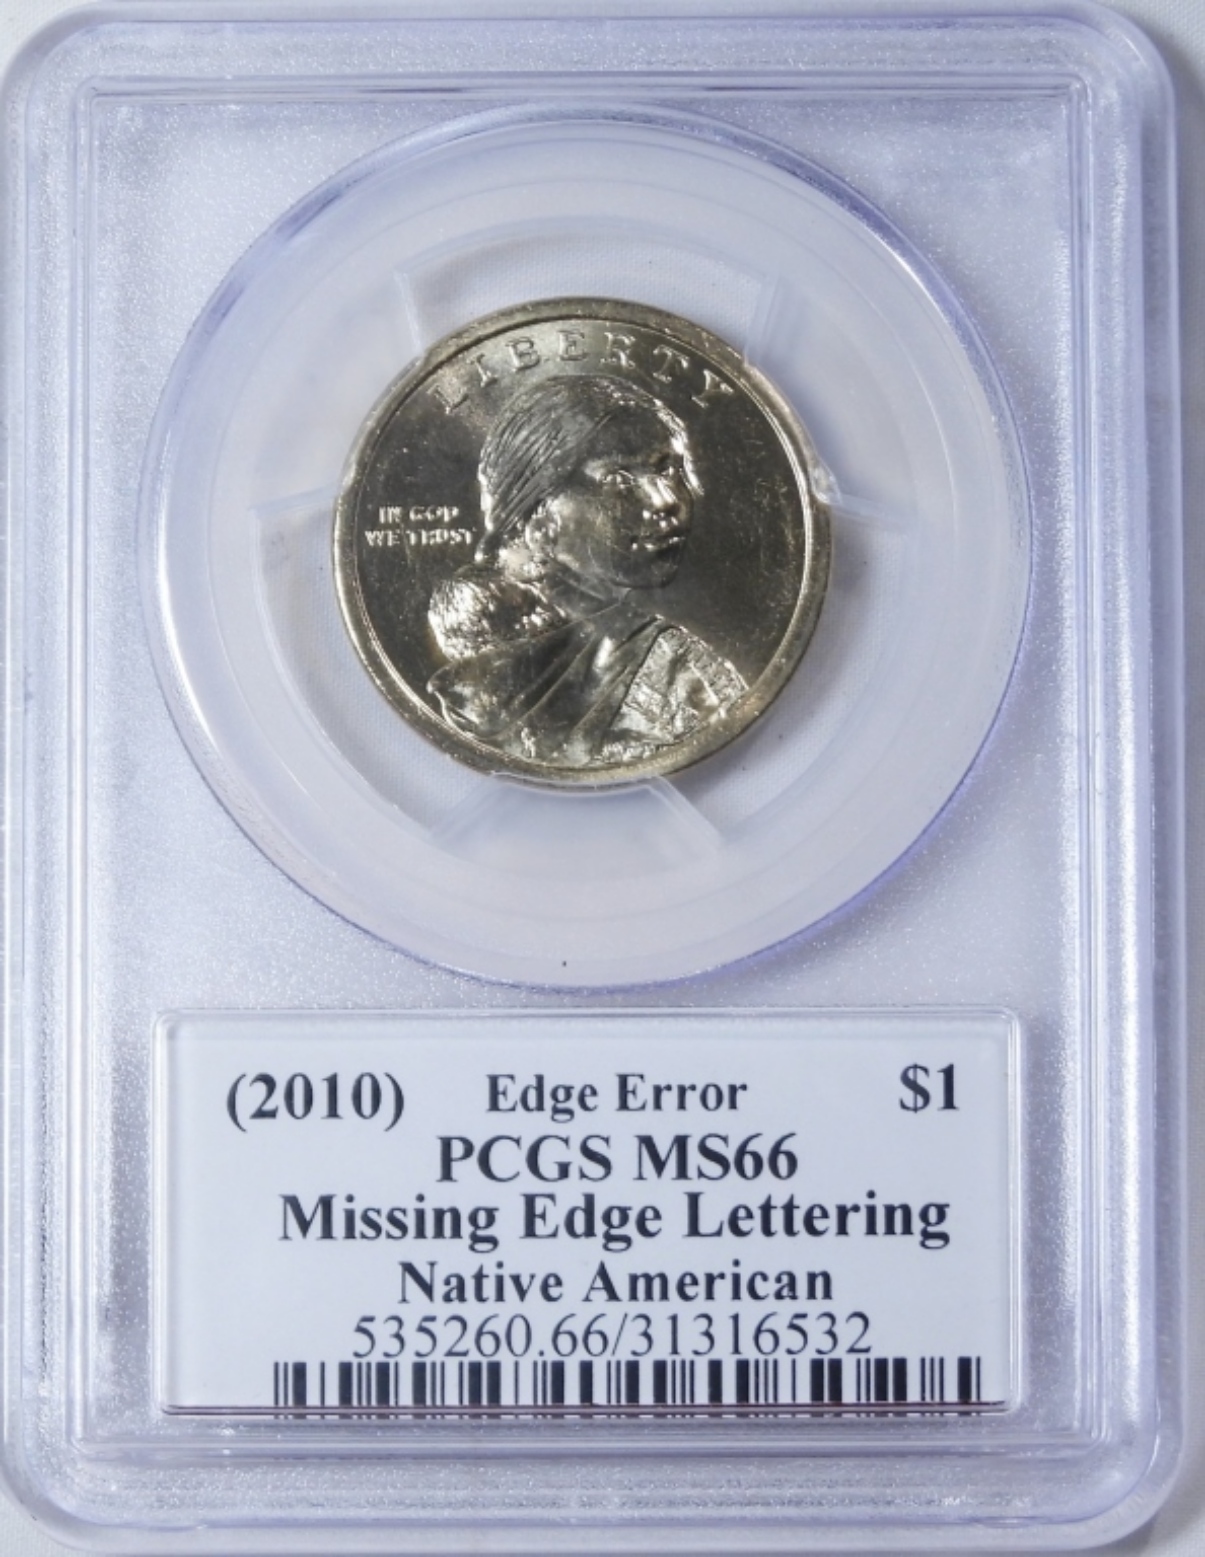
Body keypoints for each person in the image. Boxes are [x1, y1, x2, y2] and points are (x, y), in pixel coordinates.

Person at [427, 374, 745, 768]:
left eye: (666, 469)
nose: (665, 500)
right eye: (618, 479)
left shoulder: (676, 667)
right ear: (535, 514)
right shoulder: (681, 675)